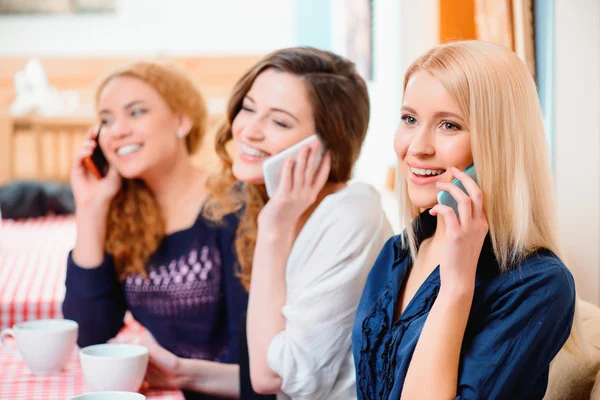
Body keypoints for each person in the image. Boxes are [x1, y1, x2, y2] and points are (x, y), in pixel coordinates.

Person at [142, 47, 393, 399]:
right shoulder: (284, 206)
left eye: (279, 122)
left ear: (326, 145)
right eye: (248, 108)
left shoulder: (349, 217)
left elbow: (274, 380)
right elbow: (270, 376)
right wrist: (183, 373)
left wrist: (274, 229)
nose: (249, 131)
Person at [352, 40, 580, 400]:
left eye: (449, 125)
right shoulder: (398, 252)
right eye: (409, 119)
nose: (417, 147)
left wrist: (456, 286)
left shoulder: (538, 285)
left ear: (498, 144)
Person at [61, 61, 247, 400]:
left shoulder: (233, 207)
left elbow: (255, 364)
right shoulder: (124, 214)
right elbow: (90, 334)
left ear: (181, 120)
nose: (117, 130)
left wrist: (184, 375)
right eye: (106, 120)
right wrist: (91, 209)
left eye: (136, 112)